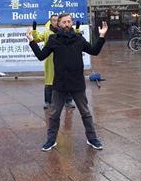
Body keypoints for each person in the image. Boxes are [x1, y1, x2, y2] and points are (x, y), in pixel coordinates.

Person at [27, 13, 108, 151]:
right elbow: (41, 56)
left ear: (72, 23)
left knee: (86, 113)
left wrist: (101, 36)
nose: (66, 24)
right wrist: (31, 41)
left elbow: (94, 51)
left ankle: (92, 139)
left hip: (77, 83)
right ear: (58, 24)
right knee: (54, 114)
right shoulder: (53, 39)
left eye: (69, 21)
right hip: (60, 83)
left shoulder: (78, 38)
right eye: (63, 22)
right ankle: (51, 140)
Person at [30, 15, 76, 109]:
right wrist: (34, 30)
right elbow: (37, 39)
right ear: (51, 22)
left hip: (62, 61)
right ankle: (48, 101)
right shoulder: (47, 33)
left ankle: (68, 101)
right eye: (53, 20)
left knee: (66, 81)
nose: (55, 22)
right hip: (50, 61)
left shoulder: (63, 32)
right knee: (49, 82)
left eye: (57, 20)